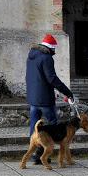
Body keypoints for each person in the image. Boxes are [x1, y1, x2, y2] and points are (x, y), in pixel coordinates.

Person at [25, 34, 74, 164]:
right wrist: (67, 92)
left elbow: (35, 78)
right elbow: (51, 78)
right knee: (53, 126)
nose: (54, 52)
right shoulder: (46, 58)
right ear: (51, 47)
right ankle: (48, 154)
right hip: (45, 99)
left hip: (33, 97)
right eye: (54, 49)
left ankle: (36, 154)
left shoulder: (31, 55)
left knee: (35, 127)